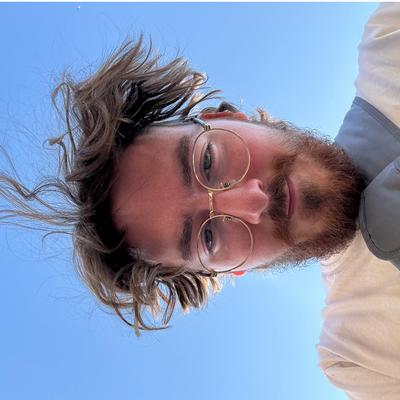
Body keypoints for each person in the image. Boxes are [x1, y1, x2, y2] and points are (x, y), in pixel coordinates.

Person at [0, 3, 398, 399]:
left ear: (230, 120)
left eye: (207, 161)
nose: (252, 201)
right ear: (234, 270)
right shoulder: (357, 361)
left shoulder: (389, 38)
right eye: (208, 237)